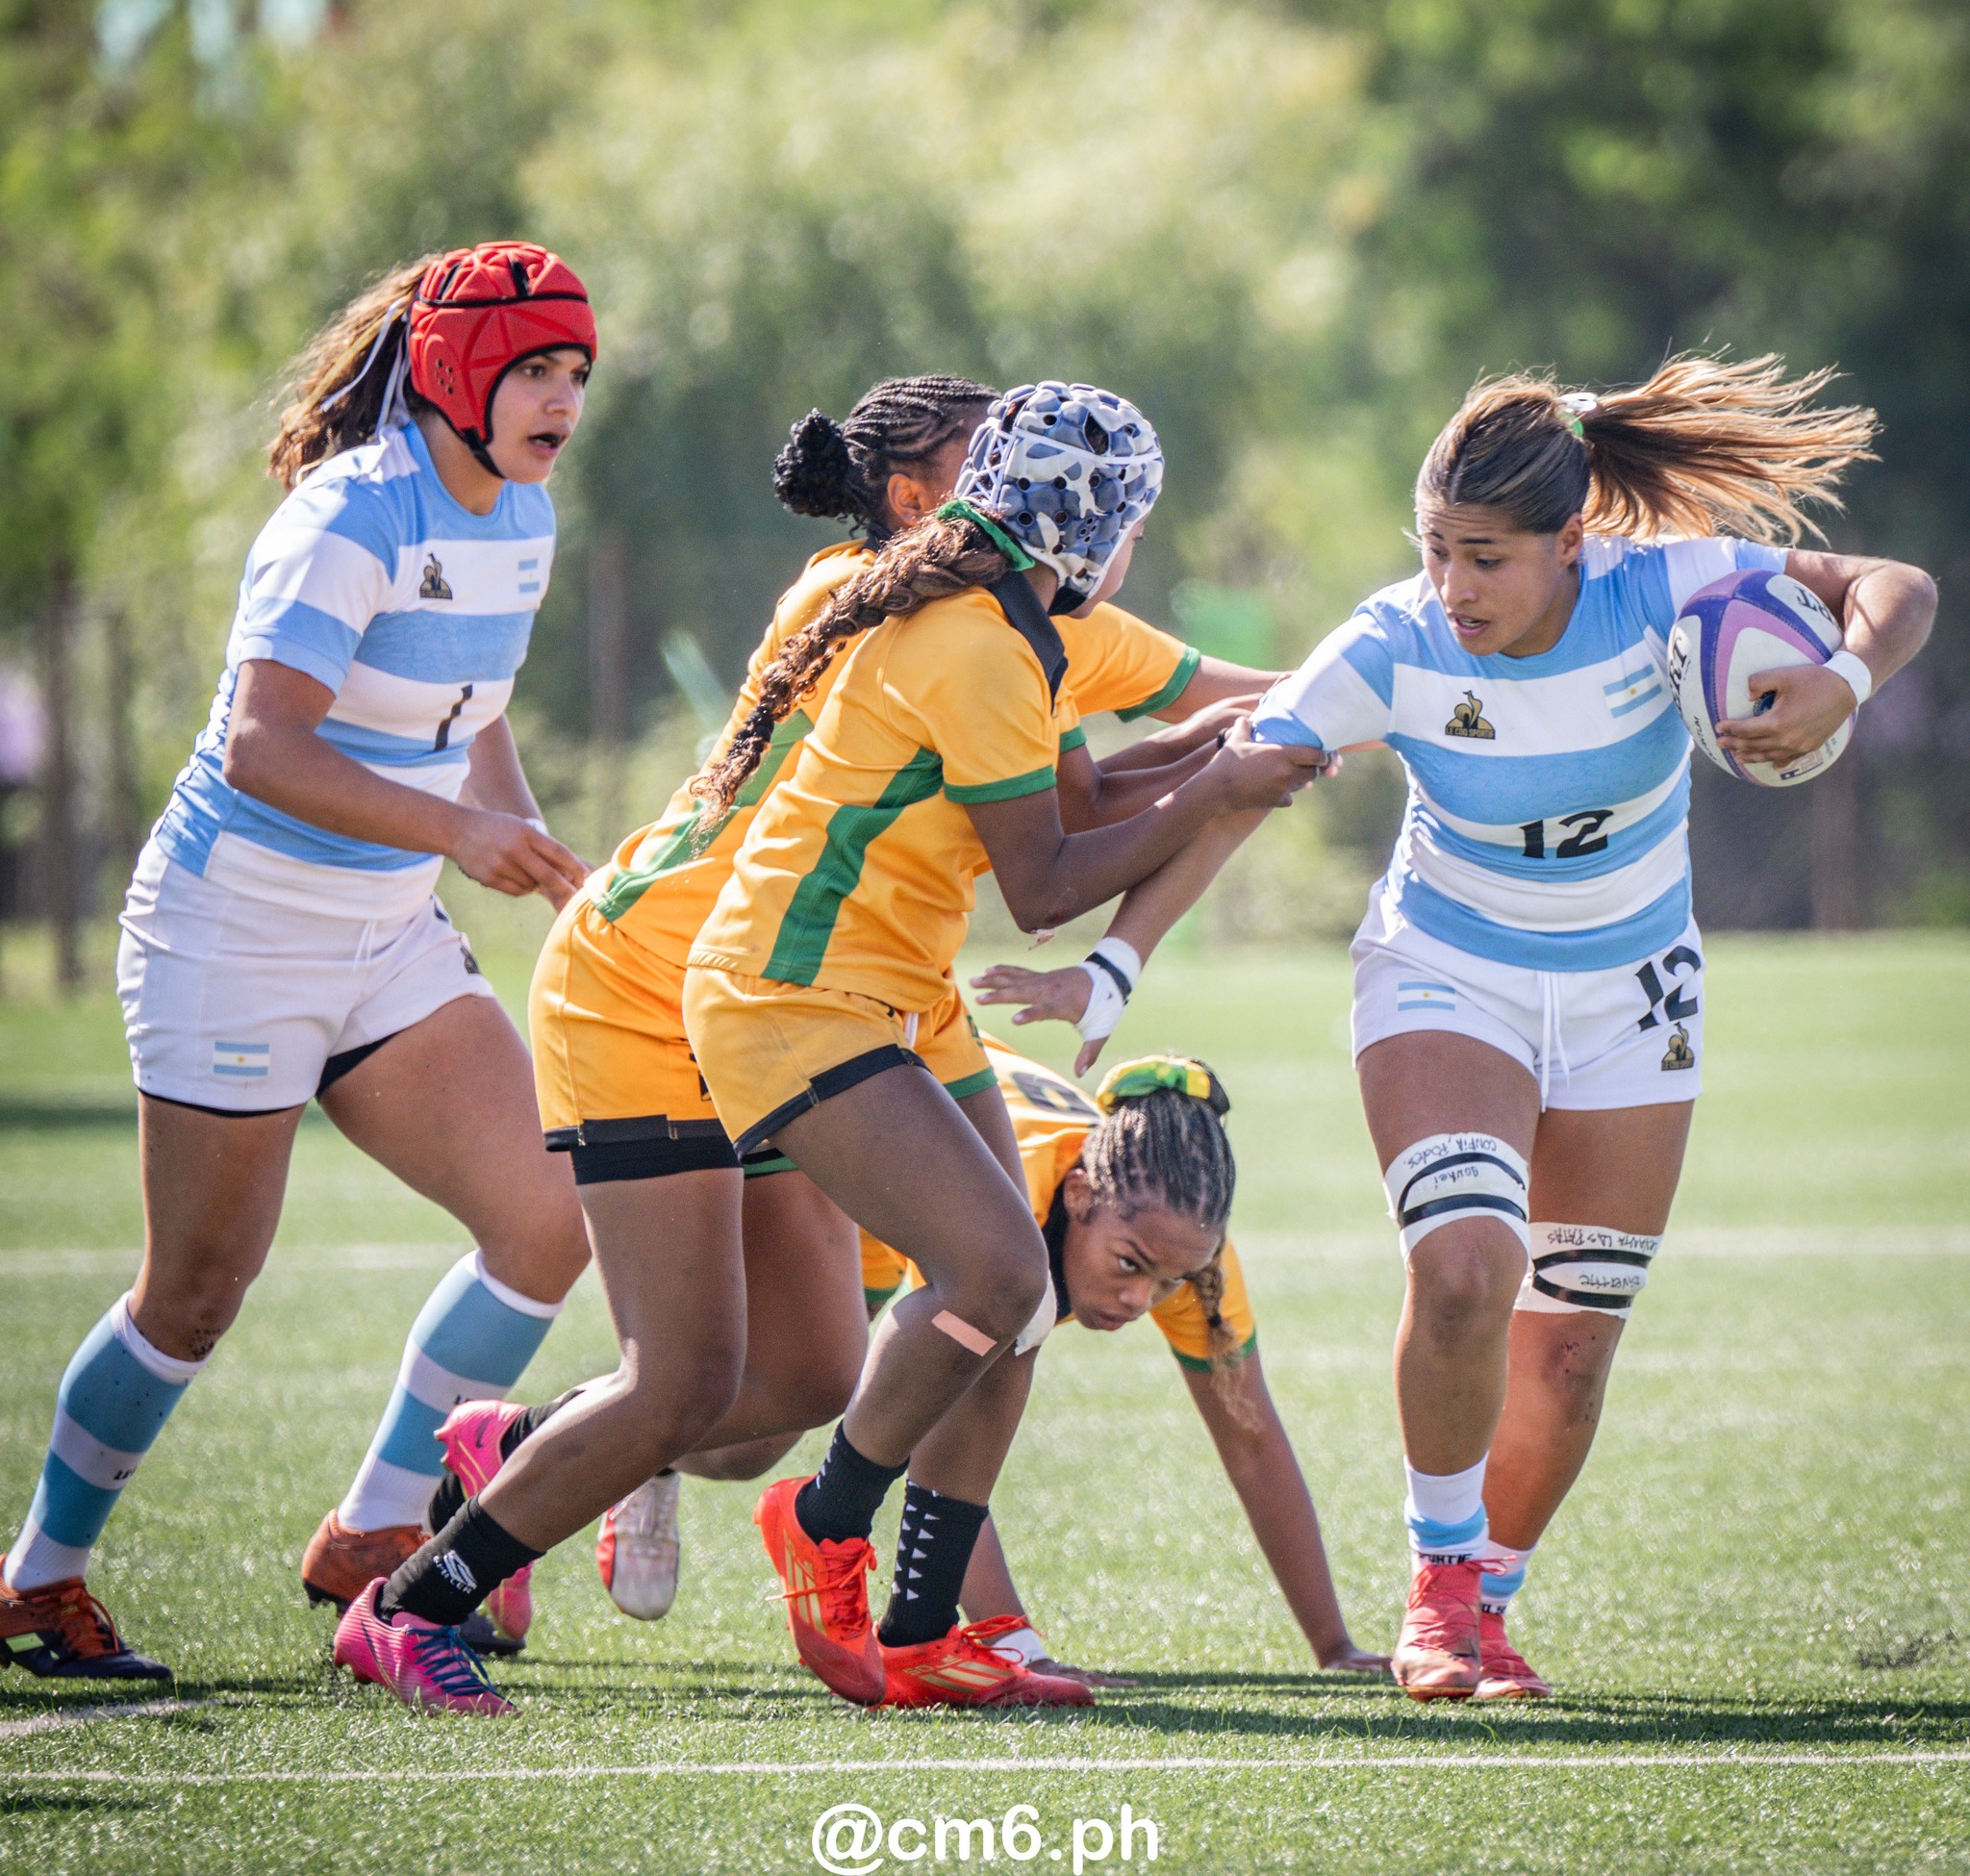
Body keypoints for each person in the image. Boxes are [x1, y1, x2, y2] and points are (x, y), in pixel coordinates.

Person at [325, 378, 1290, 1714]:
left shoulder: (1003, 613)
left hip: (873, 982)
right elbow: (1053, 868)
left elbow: (1112, 764)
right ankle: (438, 1592)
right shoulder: (955, 626)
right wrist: (1231, 775)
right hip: (705, 986)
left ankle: (917, 1620)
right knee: (703, 1380)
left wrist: (1315, 716)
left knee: (862, 1353)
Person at [1235, 356, 1936, 1700]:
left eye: (1486, 557)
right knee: (1461, 1266)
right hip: (1449, 969)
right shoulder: (1396, 639)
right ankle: (1436, 1595)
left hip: (1635, 993)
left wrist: (1844, 678)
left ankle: (1492, 1602)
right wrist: (1110, 958)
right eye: (1436, 551)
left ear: (1574, 542)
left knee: (1569, 1340)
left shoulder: (1667, 583)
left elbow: (1897, 586)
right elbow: (1246, 770)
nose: (1455, 584)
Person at [0, 244, 598, 1683]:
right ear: (457, 375)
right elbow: (267, 750)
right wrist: (460, 831)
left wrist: (513, 827)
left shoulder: (525, 509)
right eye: (533, 369)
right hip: (233, 932)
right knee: (195, 1294)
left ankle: (376, 1530)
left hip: (382, 932)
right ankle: (39, 1580)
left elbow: (478, 709)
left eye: (577, 372)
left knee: (545, 1222)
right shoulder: (347, 516)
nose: (562, 399)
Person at [847, 1037, 1387, 1693]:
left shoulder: (1186, 1253)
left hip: (884, 1200)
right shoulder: (1010, 1200)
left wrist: (1334, 1645)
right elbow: (936, 1430)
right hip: (838, 1115)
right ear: (1078, 1195)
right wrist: (1019, 1649)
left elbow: (1251, 1438)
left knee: (761, 1430)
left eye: (1169, 1281)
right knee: (767, 1405)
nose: (1140, 1300)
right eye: (1128, 1265)